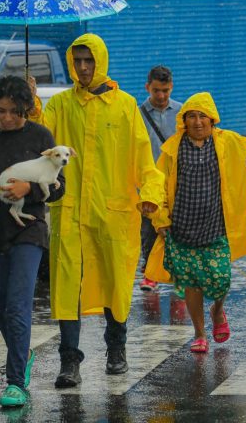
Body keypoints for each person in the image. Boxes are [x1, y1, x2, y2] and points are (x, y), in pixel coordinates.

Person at [43, 33, 165, 388]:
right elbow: (40, 139)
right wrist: (31, 107)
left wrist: (151, 196)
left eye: (89, 60)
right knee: (68, 284)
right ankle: (70, 361)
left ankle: (117, 349)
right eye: (77, 60)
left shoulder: (125, 106)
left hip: (114, 214)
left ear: (101, 61)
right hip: (70, 211)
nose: (83, 68)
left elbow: (145, 162)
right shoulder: (61, 105)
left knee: (115, 282)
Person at [144, 92, 246, 353]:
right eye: (191, 117)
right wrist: (160, 218)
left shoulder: (231, 143)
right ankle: (199, 334)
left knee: (221, 279)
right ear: (183, 121)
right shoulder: (172, 150)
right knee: (193, 284)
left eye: (202, 116)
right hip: (182, 230)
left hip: (217, 229)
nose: (197, 122)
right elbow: (157, 184)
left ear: (212, 120)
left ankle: (218, 310)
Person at [0, 76, 65, 407]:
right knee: (0, 307)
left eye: (13, 112)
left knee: (18, 304)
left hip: (28, 231)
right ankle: (23, 353)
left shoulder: (40, 137)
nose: (5, 118)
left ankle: (16, 382)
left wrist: (29, 190)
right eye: (0, 111)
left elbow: (60, 188)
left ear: (26, 110)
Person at [138, 65, 182, 292]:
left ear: (171, 87)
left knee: (178, 228)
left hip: (177, 181)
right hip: (149, 183)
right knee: (149, 230)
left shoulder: (182, 112)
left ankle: (178, 275)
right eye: (156, 90)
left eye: (165, 90)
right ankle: (150, 273)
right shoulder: (138, 114)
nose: (161, 95)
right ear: (148, 87)